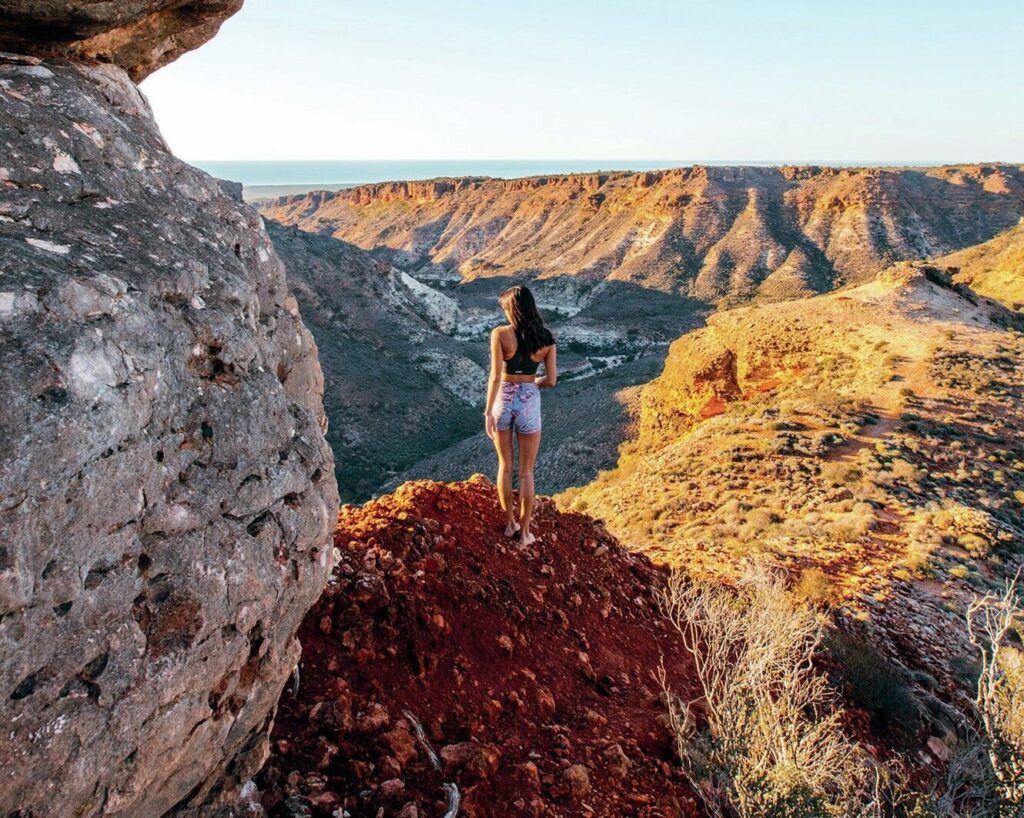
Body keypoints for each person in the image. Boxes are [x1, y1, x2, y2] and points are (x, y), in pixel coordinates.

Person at [484, 285, 557, 546]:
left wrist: (488, 411)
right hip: (529, 401)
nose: (504, 312)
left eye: (505, 308)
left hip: (503, 398)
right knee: (526, 472)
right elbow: (551, 380)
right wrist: (532, 383)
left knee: (505, 466)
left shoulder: (500, 334)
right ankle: (525, 534)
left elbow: (495, 376)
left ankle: (509, 524)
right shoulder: (546, 338)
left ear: (512, 309)